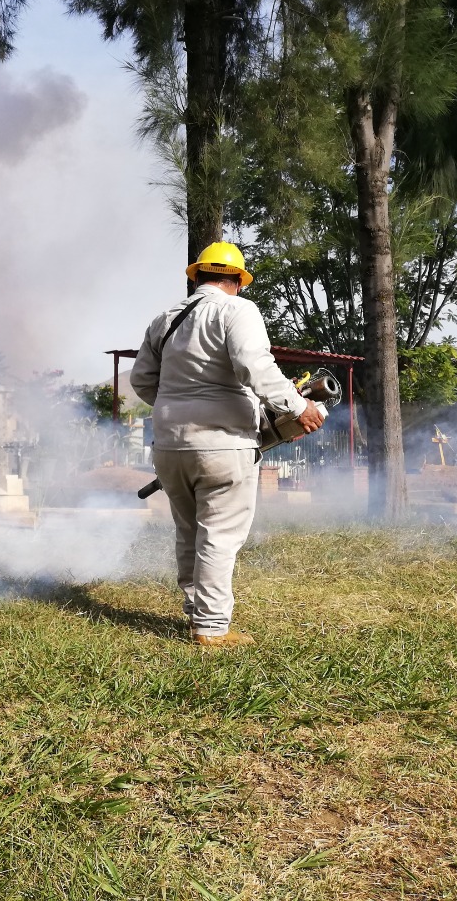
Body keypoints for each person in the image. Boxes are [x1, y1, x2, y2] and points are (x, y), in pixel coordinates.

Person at [131, 242, 323, 649]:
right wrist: (298, 405)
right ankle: (212, 627)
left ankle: (195, 612)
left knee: (188, 532)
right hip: (224, 445)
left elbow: (143, 381)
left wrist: (178, 409)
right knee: (218, 535)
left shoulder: (164, 320)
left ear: (196, 276)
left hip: (168, 446)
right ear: (237, 280)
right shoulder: (238, 310)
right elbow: (255, 366)